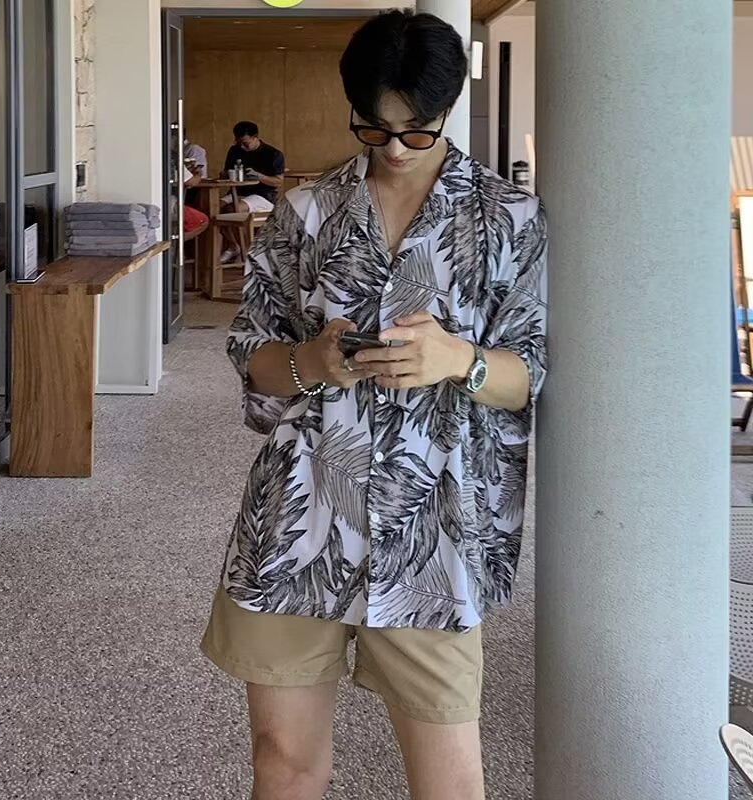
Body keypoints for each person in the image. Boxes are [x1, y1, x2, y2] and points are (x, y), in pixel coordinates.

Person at [201, 10, 547, 800]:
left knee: (448, 776)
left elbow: (531, 376)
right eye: (373, 128)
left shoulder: (510, 220)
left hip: (436, 531)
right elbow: (251, 356)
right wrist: (312, 362)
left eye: (416, 129)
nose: (393, 148)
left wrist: (458, 360)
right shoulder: (306, 214)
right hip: (301, 517)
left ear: (448, 109)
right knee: (282, 759)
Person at [220, 121, 285, 263]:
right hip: (238, 192)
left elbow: (278, 182)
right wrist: (227, 174)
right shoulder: (234, 150)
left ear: (255, 137)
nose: (242, 146)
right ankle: (233, 245)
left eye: (246, 143)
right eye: (239, 143)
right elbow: (225, 172)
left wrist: (259, 176)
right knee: (214, 209)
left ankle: (246, 251)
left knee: (233, 209)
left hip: (263, 195)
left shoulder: (273, 154)